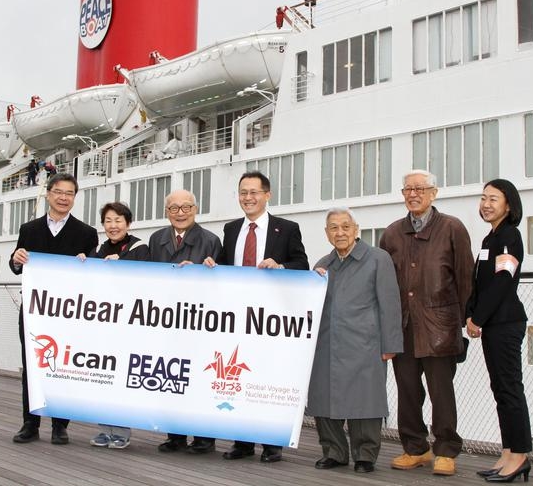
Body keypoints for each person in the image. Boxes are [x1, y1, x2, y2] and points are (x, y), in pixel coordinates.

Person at [204, 170, 308, 463]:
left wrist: (280, 266)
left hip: (270, 319)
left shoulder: (287, 228)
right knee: (239, 377)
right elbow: (225, 264)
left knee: (268, 377)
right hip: (237, 317)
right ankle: (243, 442)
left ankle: (272, 444)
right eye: (243, 192)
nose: (247, 198)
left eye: (253, 192)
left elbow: (302, 263)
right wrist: (212, 264)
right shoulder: (231, 228)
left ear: (267, 195)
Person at [379, 170, 474, 476]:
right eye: (408, 189)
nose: (413, 194)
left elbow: (465, 276)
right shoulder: (392, 233)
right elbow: (384, 283)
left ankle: (446, 450)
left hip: (440, 325)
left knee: (441, 391)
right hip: (403, 325)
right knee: (407, 389)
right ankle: (415, 448)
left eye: (420, 189)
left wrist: (465, 318)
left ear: (434, 193)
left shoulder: (452, 228)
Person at [309, 208, 403, 473]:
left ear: (356, 229)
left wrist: (391, 345)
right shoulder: (323, 265)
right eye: (334, 228)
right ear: (327, 233)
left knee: (365, 400)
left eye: (345, 227)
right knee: (324, 399)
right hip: (327, 344)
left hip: (366, 343)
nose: (340, 233)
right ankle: (334, 451)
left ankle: (365, 454)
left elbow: (390, 303)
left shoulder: (378, 259)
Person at [9, 172, 98, 445]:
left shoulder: (87, 233)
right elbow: (16, 265)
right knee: (32, 365)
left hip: (69, 311)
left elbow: (94, 275)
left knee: (64, 365)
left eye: (69, 193)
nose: (63, 198)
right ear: (48, 194)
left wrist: (88, 263)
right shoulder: (29, 229)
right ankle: (30, 423)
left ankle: (60, 425)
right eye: (58, 192)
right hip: (34, 309)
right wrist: (15, 259)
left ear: (75, 198)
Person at [466, 179, 532, 483]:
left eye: (493, 198)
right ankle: (508, 453)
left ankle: (520, 456)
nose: (486, 204)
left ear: (508, 204)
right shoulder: (490, 238)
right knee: (501, 390)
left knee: (510, 389)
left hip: (505, 323)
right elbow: (480, 283)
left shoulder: (509, 236)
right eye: (483, 198)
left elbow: (503, 282)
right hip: (493, 324)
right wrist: (471, 313)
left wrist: (478, 318)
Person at [148, 189, 222, 454]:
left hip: (198, 322)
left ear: (195, 209)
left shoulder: (211, 241)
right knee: (170, 376)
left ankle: (204, 438)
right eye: (174, 208)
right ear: (166, 212)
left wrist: (208, 271)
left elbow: (222, 285)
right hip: (166, 320)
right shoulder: (156, 239)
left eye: (186, 207)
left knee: (200, 378)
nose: (180, 213)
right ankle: (175, 435)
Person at [89, 201, 149, 450]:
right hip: (104, 324)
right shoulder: (98, 250)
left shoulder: (139, 248)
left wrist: (122, 263)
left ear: (128, 223)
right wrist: (81, 262)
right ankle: (105, 429)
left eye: (118, 220)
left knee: (123, 378)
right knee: (103, 376)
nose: (113, 226)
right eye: (108, 221)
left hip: (129, 326)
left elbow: (146, 281)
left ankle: (122, 432)